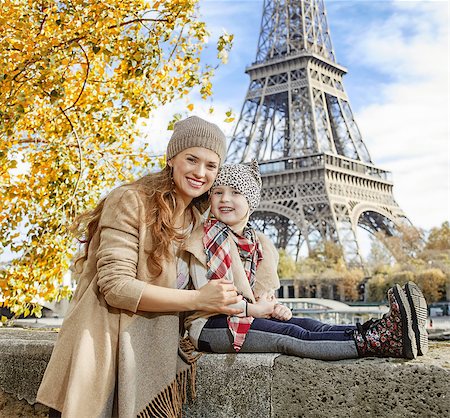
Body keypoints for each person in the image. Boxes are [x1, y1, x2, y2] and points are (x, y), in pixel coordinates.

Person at [36, 116, 244, 418]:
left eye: (211, 166)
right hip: (100, 359)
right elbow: (116, 287)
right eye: (192, 159)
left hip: (148, 360)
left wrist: (245, 306)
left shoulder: (196, 223)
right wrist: (198, 299)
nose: (200, 172)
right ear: (171, 158)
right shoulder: (130, 200)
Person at [182, 161, 429, 360]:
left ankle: (380, 331)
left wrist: (274, 308)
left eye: (236, 192)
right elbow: (211, 298)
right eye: (218, 192)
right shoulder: (204, 240)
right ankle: (376, 342)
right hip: (209, 326)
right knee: (291, 335)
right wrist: (254, 310)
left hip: (245, 318)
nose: (225, 199)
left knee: (311, 324)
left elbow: (262, 298)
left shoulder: (258, 245)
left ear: (251, 202)